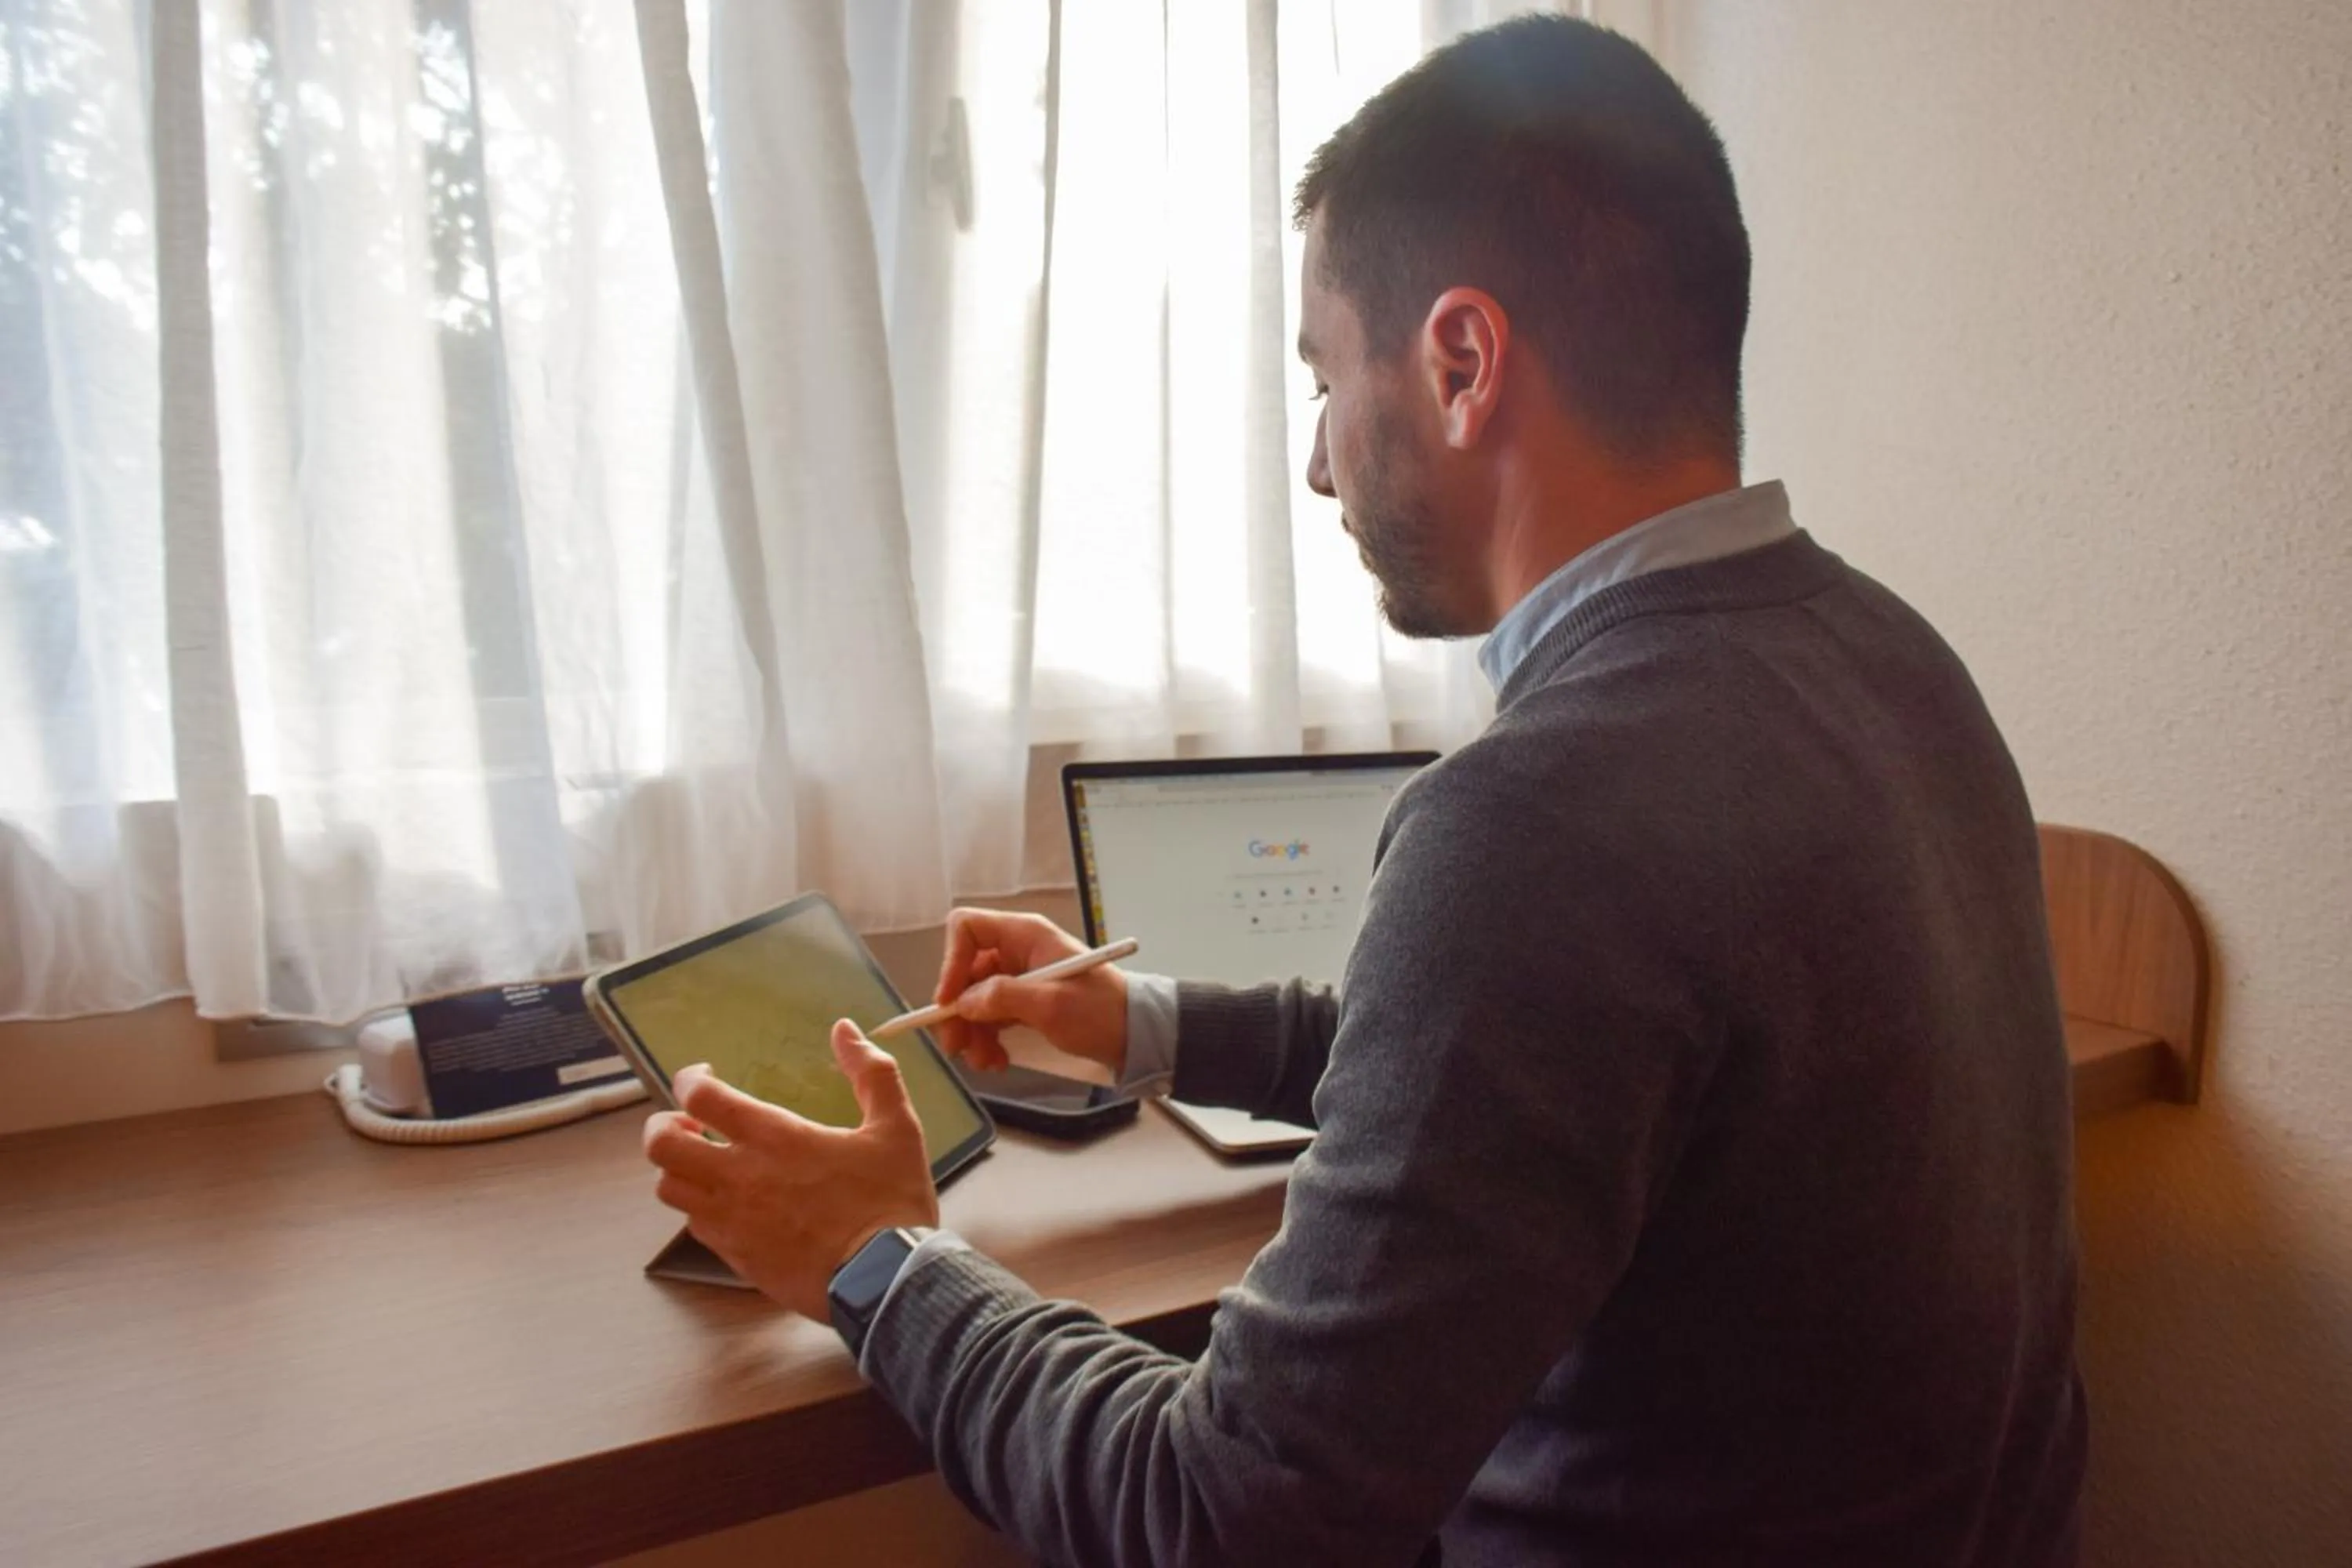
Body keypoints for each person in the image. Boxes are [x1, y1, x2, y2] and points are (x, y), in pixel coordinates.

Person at [641, 14, 2085, 1566]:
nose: (1321, 466)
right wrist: (1141, 1024)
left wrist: (879, 1257)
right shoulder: (1894, 659)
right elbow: (1539, 1075)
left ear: (1461, 362)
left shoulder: (1538, 820)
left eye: (1325, 377)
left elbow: (1225, 1517)